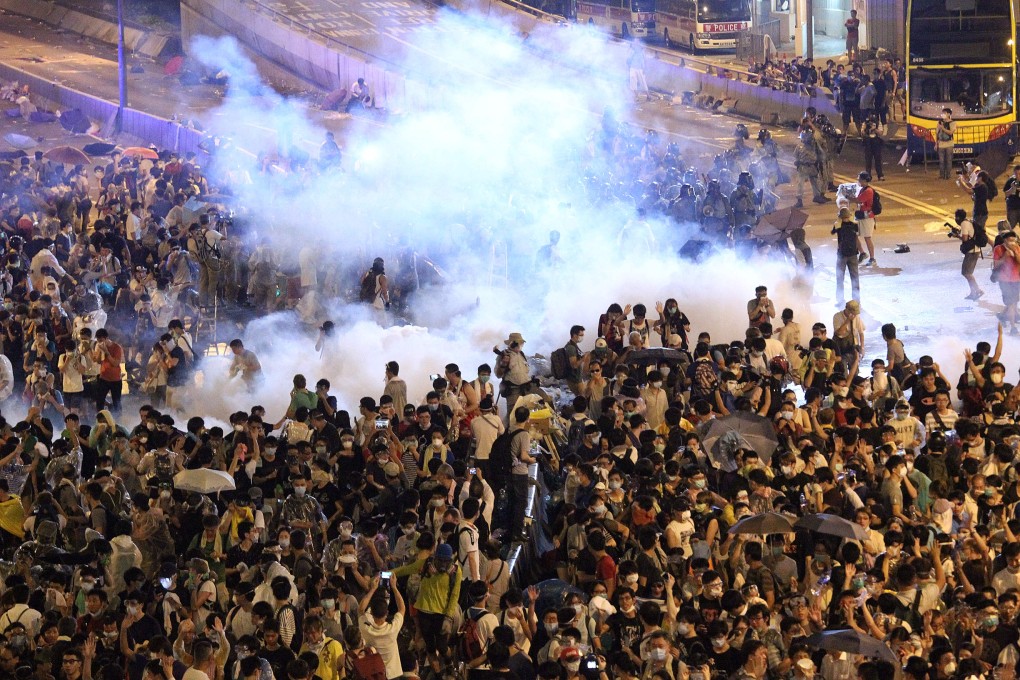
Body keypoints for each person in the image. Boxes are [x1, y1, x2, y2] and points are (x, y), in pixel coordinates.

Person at [953, 208, 985, 300]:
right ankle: (973, 292)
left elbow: (965, 239)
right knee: (967, 273)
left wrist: (957, 236)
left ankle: (977, 290)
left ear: (958, 217)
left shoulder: (964, 224)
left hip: (972, 251)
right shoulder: (968, 221)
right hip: (975, 249)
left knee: (967, 273)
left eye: (956, 217)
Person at [832, 208, 861, 306]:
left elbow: (832, 232)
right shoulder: (855, 225)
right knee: (855, 278)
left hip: (842, 255)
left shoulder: (838, 225)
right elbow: (857, 236)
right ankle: (856, 301)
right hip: (853, 254)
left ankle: (840, 300)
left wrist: (838, 221)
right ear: (849, 215)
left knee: (840, 278)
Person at [993, 229, 1020, 335]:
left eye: (1014, 240)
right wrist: (1005, 257)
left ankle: (1002, 316)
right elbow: (996, 265)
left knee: (1013, 302)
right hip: (1005, 280)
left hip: (1017, 279)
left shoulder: (1017, 248)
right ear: (1004, 241)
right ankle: (1013, 327)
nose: (1012, 243)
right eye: (1010, 240)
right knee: (1012, 303)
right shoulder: (998, 249)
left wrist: (1016, 254)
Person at [854, 172, 878, 266]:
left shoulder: (868, 191)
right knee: (854, 235)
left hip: (867, 217)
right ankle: (862, 253)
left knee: (867, 238)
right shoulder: (863, 189)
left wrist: (847, 197)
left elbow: (858, 200)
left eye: (859, 179)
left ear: (864, 180)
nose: (858, 181)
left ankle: (872, 258)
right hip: (861, 216)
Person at [936, 108, 957, 180]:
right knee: (941, 161)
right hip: (941, 144)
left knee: (948, 160)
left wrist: (943, 128)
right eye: (942, 113)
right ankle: (941, 175)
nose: (943, 114)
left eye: (944, 113)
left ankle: (948, 175)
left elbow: (951, 133)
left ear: (948, 114)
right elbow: (937, 133)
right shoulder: (939, 122)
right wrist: (936, 144)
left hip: (949, 144)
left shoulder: (952, 123)